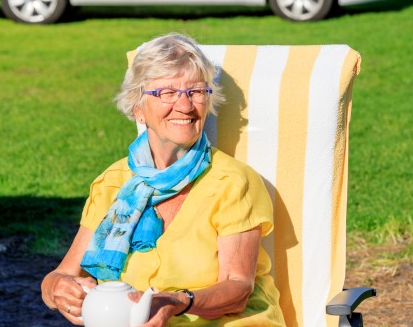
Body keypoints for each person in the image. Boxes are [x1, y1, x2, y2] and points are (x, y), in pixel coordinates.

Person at [40, 33, 285, 326]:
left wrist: (177, 302)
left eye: (195, 92)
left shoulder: (233, 182)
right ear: (138, 108)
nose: (185, 106)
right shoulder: (113, 183)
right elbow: (63, 274)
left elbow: (238, 289)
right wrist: (57, 289)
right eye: (166, 93)